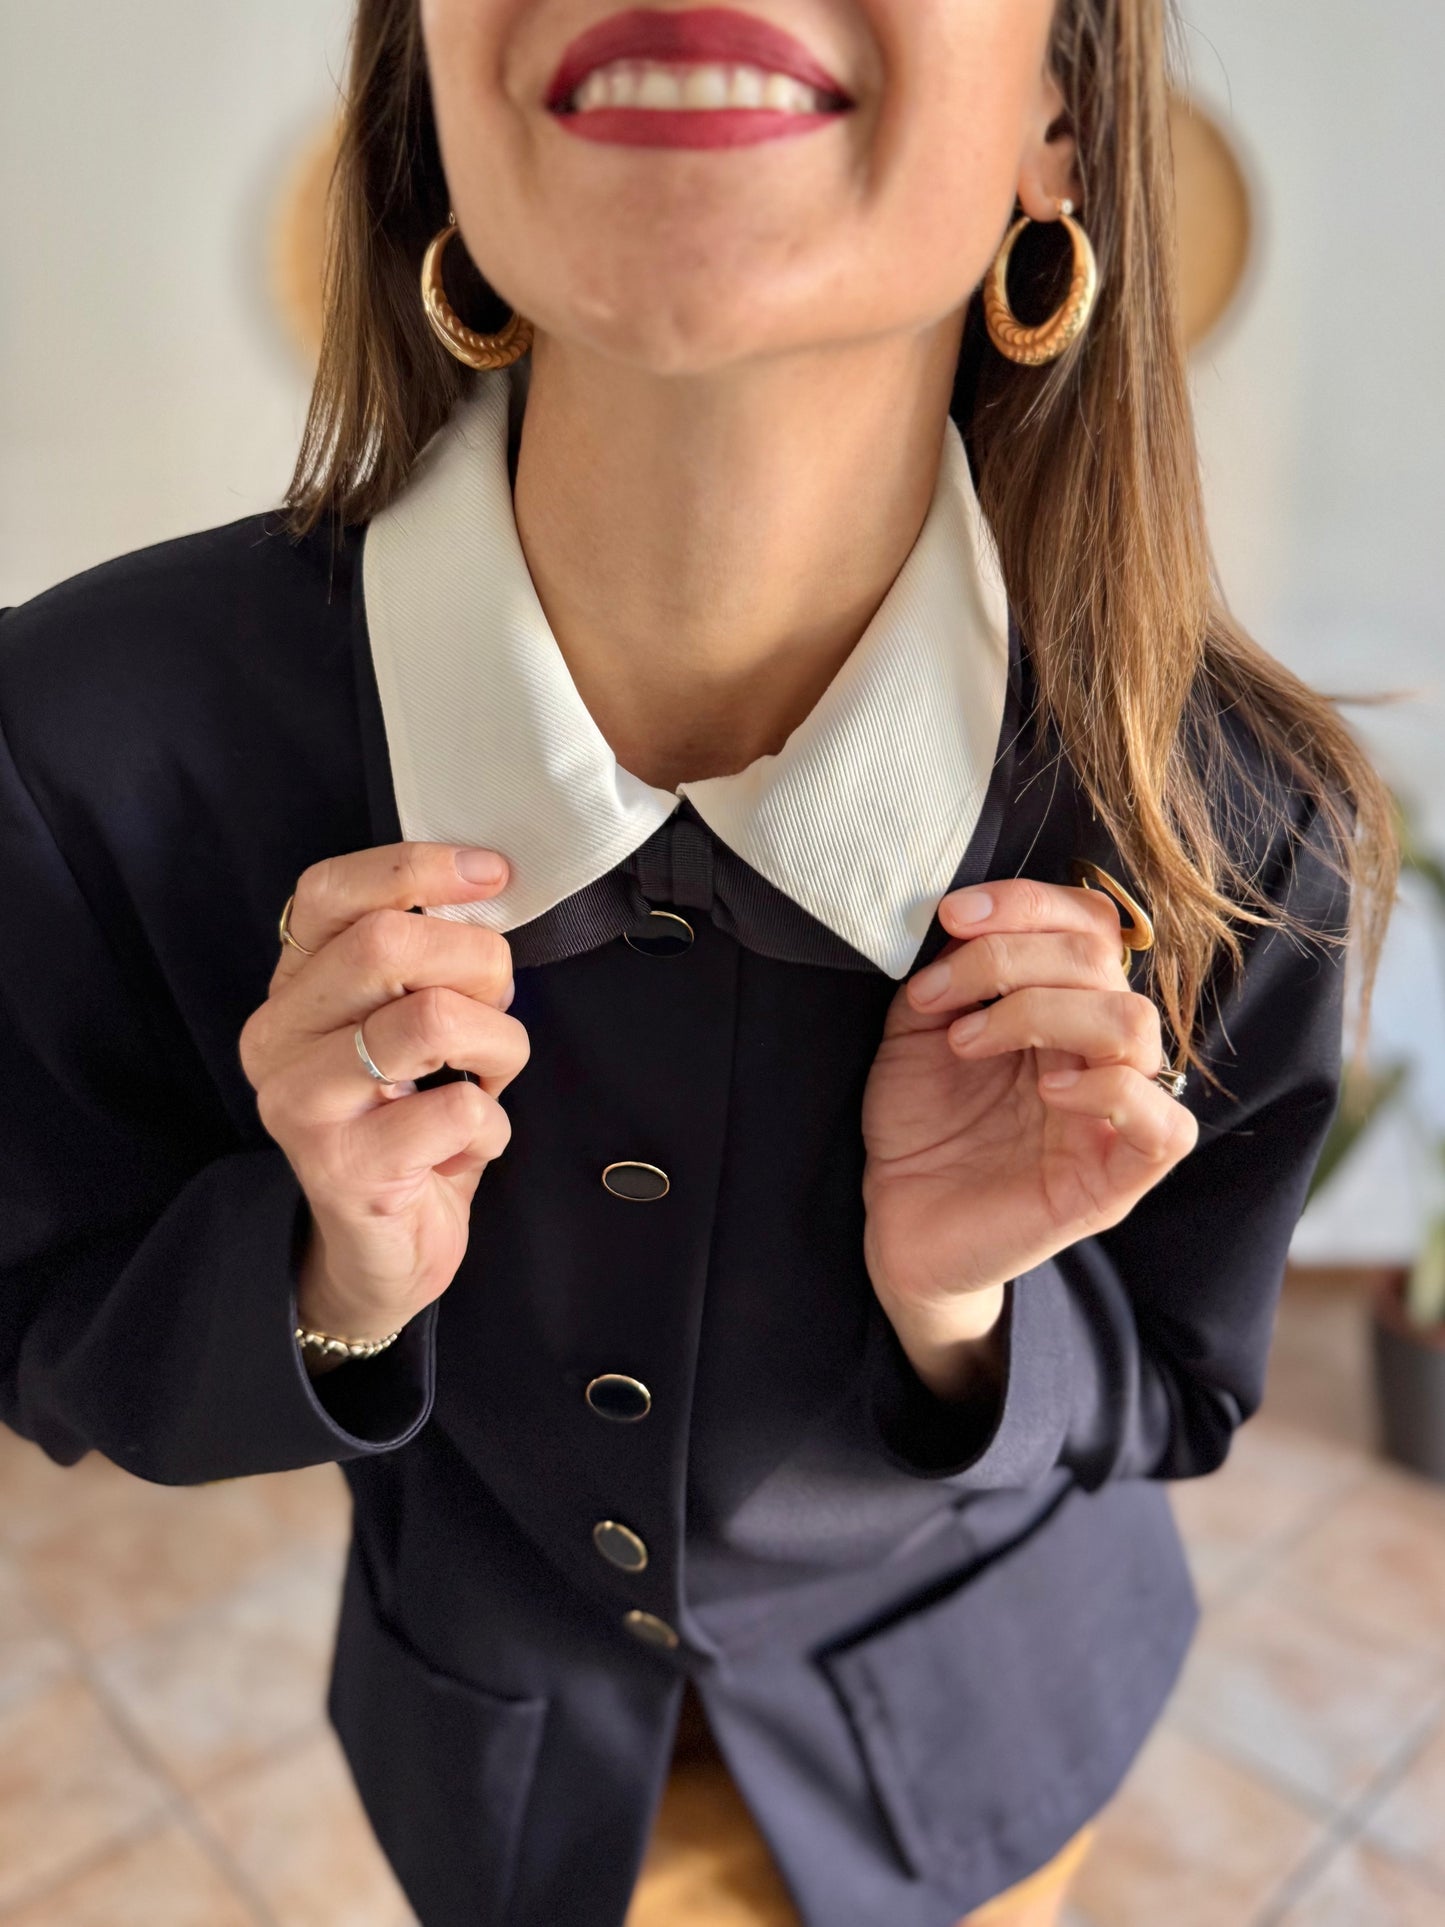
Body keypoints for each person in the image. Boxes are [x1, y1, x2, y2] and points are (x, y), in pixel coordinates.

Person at [0, 2, 1397, 1924]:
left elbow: (1179, 1390)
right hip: (486, 1778)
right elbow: (49, 1323)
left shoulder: (1240, 818)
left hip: (990, 1767)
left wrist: (965, 1311)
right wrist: (326, 1275)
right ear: (432, 69)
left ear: (1059, 117)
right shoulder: (84, 740)